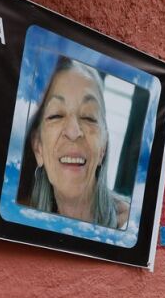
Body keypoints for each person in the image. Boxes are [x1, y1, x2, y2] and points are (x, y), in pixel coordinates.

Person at [22, 57, 129, 229]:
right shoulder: (24, 219)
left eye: (89, 117)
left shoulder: (130, 227)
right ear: (38, 148)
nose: (73, 132)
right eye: (56, 115)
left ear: (103, 148)